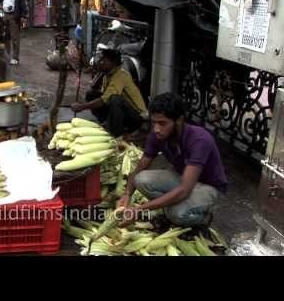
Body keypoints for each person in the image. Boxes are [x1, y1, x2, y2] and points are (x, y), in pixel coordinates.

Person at [116, 93, 228, 227]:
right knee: (141, 179)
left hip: (209, 187)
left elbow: (185, 190)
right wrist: (127, 194)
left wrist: (140, 210)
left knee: (177, 214)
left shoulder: (199, 140)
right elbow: (140, 167)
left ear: (179, 120)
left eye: (162, 123)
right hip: (183, 178)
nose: (157, 129)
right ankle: (169, 207)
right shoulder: (157, 136)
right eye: (154, 123)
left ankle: (204, 217)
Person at [71, 48, 147, 137]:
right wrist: (100, 72)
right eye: (100, 59)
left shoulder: (121, 75)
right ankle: (106, 122)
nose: (100, 62)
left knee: (114, 99)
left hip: (136, 117)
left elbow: (105, 100)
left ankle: (116, 134)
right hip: (124, 113)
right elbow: (98, 91)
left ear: (113, 63)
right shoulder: (107, 75)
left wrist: (82, 107)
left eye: (103, 60)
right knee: (91, 94)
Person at [0, 0, 28, 65]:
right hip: (4, 15)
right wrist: (0, 6)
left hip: (14, 15)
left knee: (15, 37)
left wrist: (24, 16)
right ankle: (7, 56)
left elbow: (24, 3)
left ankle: (15, 58)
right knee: (6, 36)